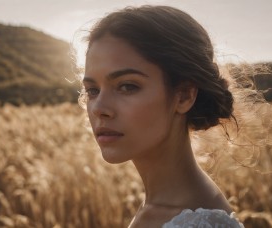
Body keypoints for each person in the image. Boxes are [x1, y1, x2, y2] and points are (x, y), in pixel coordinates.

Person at [80, 5, 244, 227]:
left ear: (184, 96)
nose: (99, 107)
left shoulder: (200, 222)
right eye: (92, 90)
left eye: (127, 86)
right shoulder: (159, 207)